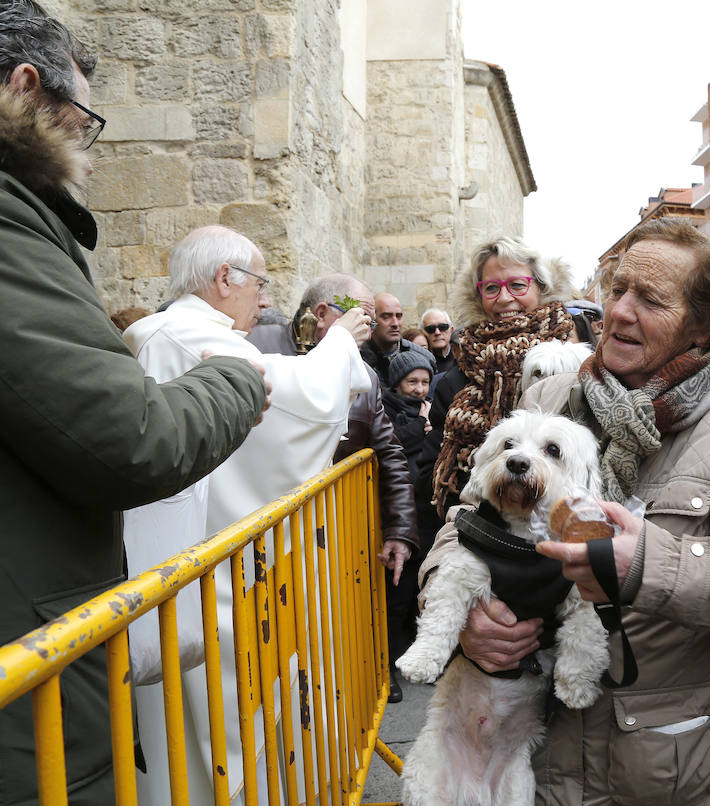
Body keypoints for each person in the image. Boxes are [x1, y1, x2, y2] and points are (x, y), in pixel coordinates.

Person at [420, 218, 710, 805]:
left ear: (703, 326)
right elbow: (467, 518)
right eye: (617, 288)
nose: (619, 312)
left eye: (649, 299)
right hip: (537, 752)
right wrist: (460, 616)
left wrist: (649, 563)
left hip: (658, 764)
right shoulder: (549, 398)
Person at [0, 5, 270, 804]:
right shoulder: (12, 222)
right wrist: (236, 380)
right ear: (26, 86)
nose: (84, 147)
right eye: (82, 120)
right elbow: (131, 437)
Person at [123, 229, 372, 805]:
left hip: (189, 565)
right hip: (205, 576)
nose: (264, 300)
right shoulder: (183, 337)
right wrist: (338, 343)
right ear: (224, 278)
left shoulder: (177, 333)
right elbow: (298, 401)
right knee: (207, 732)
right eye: (259, 283)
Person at [249, 272, 420, 704]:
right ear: (323, 314)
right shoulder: (255, 347)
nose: (373, 325)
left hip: (333, 540)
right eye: (363, 315)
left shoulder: (361, 375)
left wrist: (399, 530)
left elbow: (390, 454)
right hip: (256, 538)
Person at [413, 235, 577, 551]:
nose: (504, 299)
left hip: (559, 544)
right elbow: (429, 472)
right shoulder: (456, 377)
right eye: (491, 288)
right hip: (473, 537)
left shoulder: (572, 364)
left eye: (517, 285)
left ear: (541, 288)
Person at [360, 291, 433, 386]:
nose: (395, 323)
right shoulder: (358, 358)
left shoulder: (424, 357)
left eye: (399, 316)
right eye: (386, 317)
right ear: (371, 319)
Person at [383, 349, 434, 483]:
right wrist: (421, 422)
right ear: (396, 384)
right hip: (398, 485)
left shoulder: (432, 408)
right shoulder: (384, 408)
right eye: (412, 382)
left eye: (425, 382)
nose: (419, 390)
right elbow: (391, 442)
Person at [421, 307, 457, 374]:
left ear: (451, 331)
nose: (437, 332)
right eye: (430, 329)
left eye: (442, 327)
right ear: (423, 333)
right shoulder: (420, 362)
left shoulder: (462, 355)